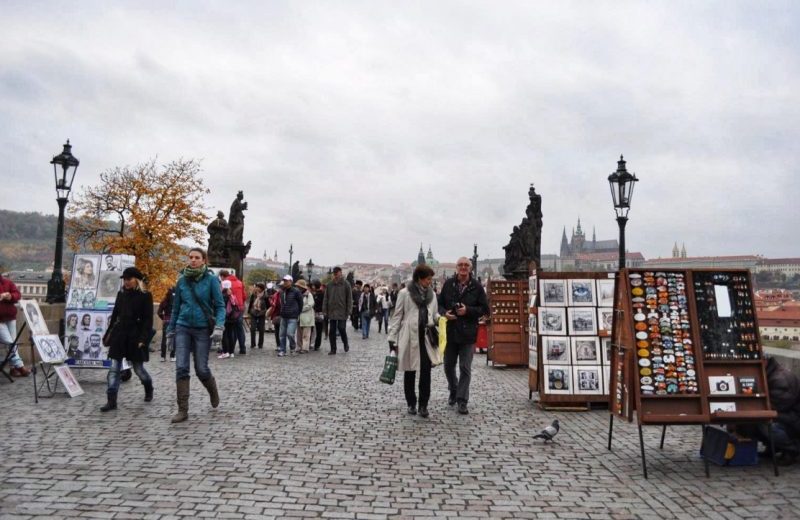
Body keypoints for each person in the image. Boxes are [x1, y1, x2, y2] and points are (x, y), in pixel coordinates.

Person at [166, 247, 225, 423]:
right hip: (183, 326)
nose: (193, 260)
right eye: (190, 257)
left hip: (202, 329)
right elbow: (176, 308)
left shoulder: (212, 280)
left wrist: (219, 327)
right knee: (182, 367)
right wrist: (170, 330)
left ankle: (212, 389)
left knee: (201, 368)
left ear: (204, 260)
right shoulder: (182, 280)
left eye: (197, 257)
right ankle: (182, 410)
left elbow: (220, 306)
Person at [438, 257, 489, 415]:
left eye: (466, 265)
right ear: (456, 267)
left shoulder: (477, 287)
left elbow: (484, 309)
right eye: (460, 265)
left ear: (470, 268)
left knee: (465, 367)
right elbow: (439, 305)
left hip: (468, 334)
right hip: (451, 331)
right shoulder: (448, 284)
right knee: (448, 366)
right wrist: (444, 313)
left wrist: (468, 310)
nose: (463, 267)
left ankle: (462, 400)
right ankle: (453, 389)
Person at [99, 267, 154, 412]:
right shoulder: (121, 294)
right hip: (119, 334)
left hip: (135, 336)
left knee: (138, 369)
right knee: (114, 369)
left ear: (136, 280)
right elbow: (115, 315)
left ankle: (148, 387)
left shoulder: (145, 295)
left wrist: (143, 338)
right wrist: (108, 334)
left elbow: (148, 321)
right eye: (124, 279)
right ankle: (111, 400)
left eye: (129, 279)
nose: (126, 282)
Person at [388, 264, 439, 418]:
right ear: (419, 278)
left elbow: (434, 315)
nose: (430, 282)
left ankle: (423, 405)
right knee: (409, 371)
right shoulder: (404, 293)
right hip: (409, 336)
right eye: (428, 279)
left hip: (426, 337)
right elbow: (397, 316)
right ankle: (411, 402)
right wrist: (392, 338)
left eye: (431, 279)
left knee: (426, 372)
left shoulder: (432, 295)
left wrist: (441, 319)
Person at [738, 357, 800, 465]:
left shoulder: (781, 379)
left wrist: (749, 408)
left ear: (764, 361)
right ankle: (773, 447)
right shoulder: (768, 374)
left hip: (792, 421)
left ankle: (791, 450)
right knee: (748, 422)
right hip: (785, 417)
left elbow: (776, 406)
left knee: (764, 424)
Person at [0, 273, 30, 377]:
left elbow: (17, 295)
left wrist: (10, 296)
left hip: (10, 318)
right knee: (10, 342)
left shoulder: (8, 282)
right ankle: (20, 366)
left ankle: (13, 369)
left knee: (13, 342)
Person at [322, 267, 352, 355]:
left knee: (342, 328)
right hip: (332, 311)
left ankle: (345, 343)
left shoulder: (346, 284)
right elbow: (326, 298)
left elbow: (349, 298)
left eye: (337, 273)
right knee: (332, 331)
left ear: (340, 273)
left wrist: (349, 310)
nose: (335, 275)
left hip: (342, 311)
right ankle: (333, 349)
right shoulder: (330, 284)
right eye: (334, 273)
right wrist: (325, 310)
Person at [220, 270, 247, 355]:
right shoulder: (239, 282)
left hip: (228, 310)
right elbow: (244, 296)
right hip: (239, 308)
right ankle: (242, 348)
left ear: (223, 276)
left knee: (228, 330)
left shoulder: (224, 283)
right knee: (239, 329)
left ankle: (229, 349)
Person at [277, 275, 303, 357]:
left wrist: (297, 312)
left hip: (292, 316)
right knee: (282, 335)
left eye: (287, 281)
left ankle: (292, 348)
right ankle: (282, 350)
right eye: (284, 281)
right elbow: (281, 303)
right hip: (284, 316)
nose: (285, 282)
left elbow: (300, 303)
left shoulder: (296, 291)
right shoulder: (282, 291)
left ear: (291, 282)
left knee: (290, 334)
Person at [218, 280, 240, 359]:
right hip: (233, 317)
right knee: (231, 334)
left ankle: (225, 352)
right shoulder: (231, 294)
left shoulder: (223, 295)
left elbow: (221, 307)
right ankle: (231, 352)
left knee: (224, 335)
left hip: (226, 317)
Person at [295, 279, 315, 353]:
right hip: (299, 317)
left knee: (306, 334)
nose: (297, 288)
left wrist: (301, 309)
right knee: (299, 334)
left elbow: (310, 304)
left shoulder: (308, 295)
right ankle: (299, 347)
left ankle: (305, 348)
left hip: (307, 317)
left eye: (298, 286)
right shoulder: (297, 294)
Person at [157, 285, 175, 361]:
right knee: (174, 339)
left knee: (164, 339)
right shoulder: (176, 301)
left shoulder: (164, 301)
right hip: (174, 321)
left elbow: (159, 312)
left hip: (166, 320)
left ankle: (163, 356)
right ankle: (172, 356)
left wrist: (163, 318)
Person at [247, 282, 267, 349]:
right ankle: (253, 344)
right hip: (253, 313)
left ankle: (260, 344)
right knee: (252, 329)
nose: (256, 288)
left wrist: (265, 312)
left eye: (258, 287)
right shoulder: (253, 295)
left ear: (262, 288)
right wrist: (249, 313)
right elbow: (250, 304)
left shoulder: (265, 296)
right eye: (256, 287)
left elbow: (268, 306)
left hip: (262, 314)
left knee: (261, 329)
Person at [312, 280, 326, 351]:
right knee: (317, 330)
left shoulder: (320, 294)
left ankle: (317, 344)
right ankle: (316, 344)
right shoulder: (315, 294)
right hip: (316, 313)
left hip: (319, 313)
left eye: (313, 285)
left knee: (318, 330)